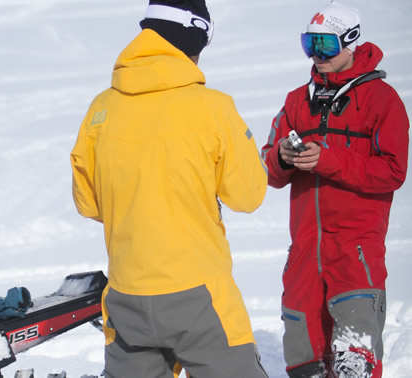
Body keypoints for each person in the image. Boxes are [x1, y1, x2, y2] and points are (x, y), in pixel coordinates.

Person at [71, 1, 269, 376]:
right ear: (196, 39)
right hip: (198, 294)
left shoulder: (102, 107)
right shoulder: (213, 107)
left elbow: (88, 203)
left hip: (126, 295)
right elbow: (248, 196)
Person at [261, 2, 409, 377]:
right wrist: (280, 155)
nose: (317, 55)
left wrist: (329, 160)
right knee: (304, 360)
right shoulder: (297, 101)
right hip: (304, 255)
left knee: (354, 363)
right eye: (309, 45)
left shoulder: (382, 100)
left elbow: (393, 170)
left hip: (356, 253)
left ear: (352, 41)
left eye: (326, 45)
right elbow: (268, 171)